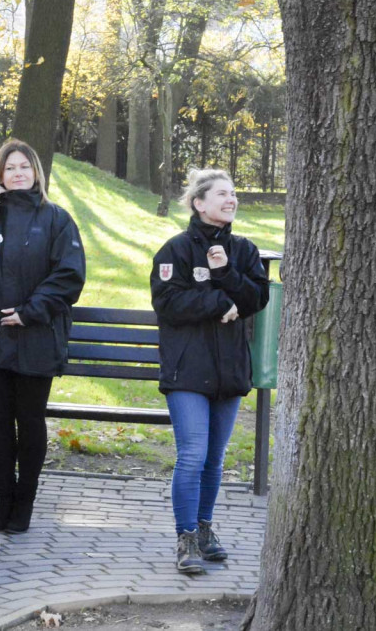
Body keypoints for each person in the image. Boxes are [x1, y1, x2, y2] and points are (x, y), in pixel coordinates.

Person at [0, 138, 86, 535]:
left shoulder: (56, 219)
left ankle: (23, 502)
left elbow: (69, 275)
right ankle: (2, 500)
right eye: (9, 168)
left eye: (24, 166)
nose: (18, 173)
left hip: (36, 337)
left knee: (28, 421)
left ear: (36, 172)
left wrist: (29, 312)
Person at [149, 168, 269, 574]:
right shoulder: (175, 251)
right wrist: (218, 302)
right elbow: (168, 303)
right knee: (193, 455)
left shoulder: (245, 251)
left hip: (230, 371)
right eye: (222, 194)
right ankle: (185, 538)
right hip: (187, 372)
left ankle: (204, 529)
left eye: (234, 193)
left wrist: (224, 273)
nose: (231, 199)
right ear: (200, 203)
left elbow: (256, 297)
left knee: (214, 459)